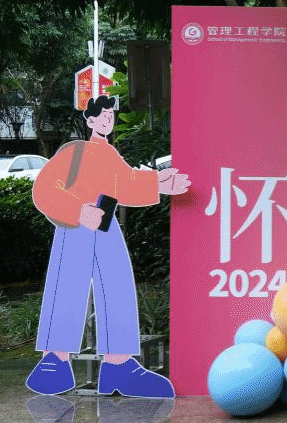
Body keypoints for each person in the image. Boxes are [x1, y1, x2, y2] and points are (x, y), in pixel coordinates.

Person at [25, 95, 189, 397]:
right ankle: (53, 363)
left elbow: (126, 182)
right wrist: (78, 210)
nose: (107, 120)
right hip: (75, 225)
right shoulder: (73, 151)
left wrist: (159, 184)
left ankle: (118, 365)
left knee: (117, 285)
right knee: (67, 287)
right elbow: (45, 188)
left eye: (111, 116)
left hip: (105, 224)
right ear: (89, 120)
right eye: (102, 116)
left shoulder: (110, 154)